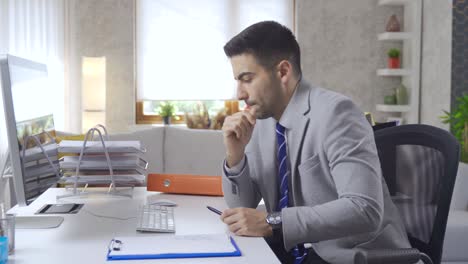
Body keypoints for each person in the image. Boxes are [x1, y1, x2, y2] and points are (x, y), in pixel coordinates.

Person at [220, 21, 411, 264]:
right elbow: (241, 208)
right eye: (238, 81)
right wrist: (235, 156)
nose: (239, 93)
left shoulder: (337, 114)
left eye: (247, 79)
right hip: (296, 252)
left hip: (353, 256)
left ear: (283, 72)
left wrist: (273, 222)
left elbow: (364, 208)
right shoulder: (263, 120)